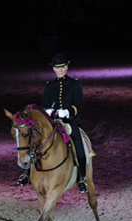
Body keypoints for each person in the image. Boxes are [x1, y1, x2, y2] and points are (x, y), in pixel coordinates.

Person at [17, 54, 88, 193]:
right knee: (34, 141)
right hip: (52, 122)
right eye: (57, 68)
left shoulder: (75, 84)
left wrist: (66, 112)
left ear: (67, 67)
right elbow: (44, 104)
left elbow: (78, 105)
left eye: (62, 67)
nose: (60, 70)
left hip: (69, 121)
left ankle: (82, 178)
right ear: (54, 69)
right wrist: (47, 111)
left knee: (79, 147)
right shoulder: (50, 86)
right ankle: (26, 174)